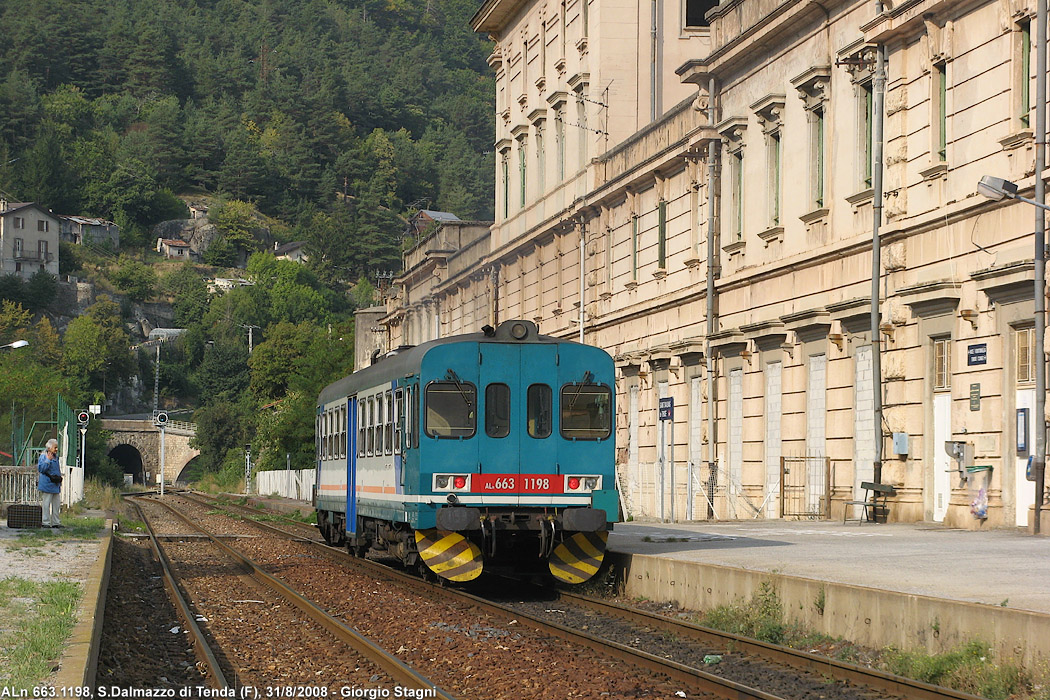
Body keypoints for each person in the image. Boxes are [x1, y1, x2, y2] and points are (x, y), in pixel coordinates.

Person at [37, 438, 63, 528]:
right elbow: (41, 469)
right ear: (49, 448)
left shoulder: (56, 457)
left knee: (56, 505)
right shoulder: (43, 456)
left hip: (55, 485)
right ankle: (46, 522)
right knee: (46, 504)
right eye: (55, 447)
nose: (56, 449)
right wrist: (48, 460)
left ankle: (56, 522)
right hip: (47, 484)